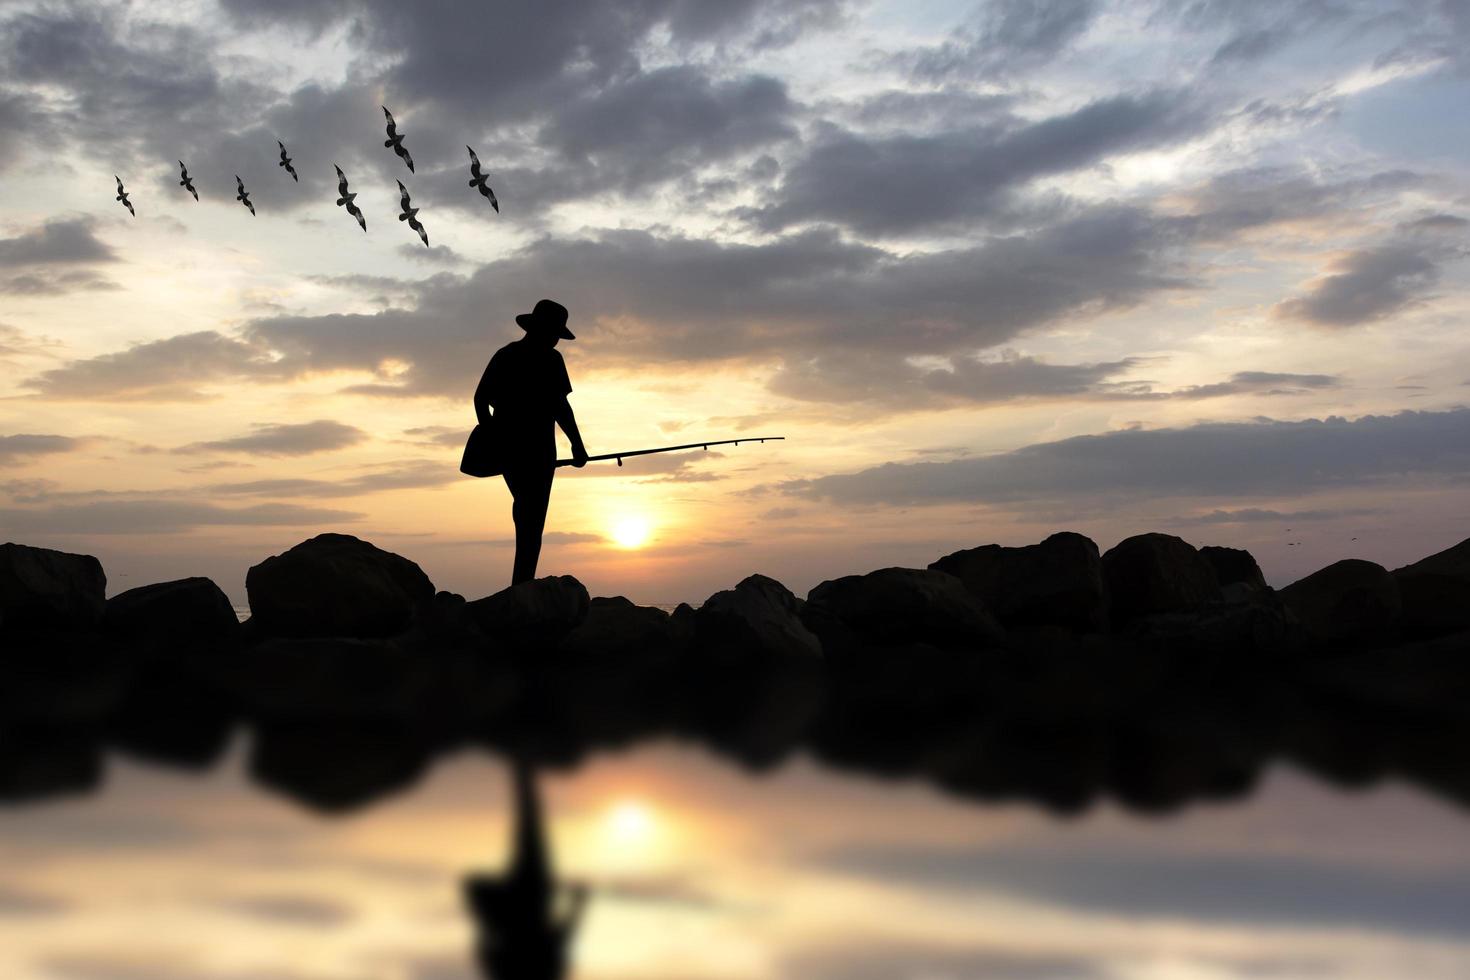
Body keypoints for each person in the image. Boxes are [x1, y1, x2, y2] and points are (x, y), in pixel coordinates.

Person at [475, 299, 588, 585]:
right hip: (532, 450)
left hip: (525, 450)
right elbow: (560, 406)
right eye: (554, 334)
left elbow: (480, 400)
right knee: (531, 516)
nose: (556, 340)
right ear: (542, 329)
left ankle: (522, 583)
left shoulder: (508, 355)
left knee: (527, 513)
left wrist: (492, 433)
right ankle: (522, 587)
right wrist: (576, 444)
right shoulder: (549, 361)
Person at [464, 755, 589, 980]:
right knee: (530, 830)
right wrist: (577, 905)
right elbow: (487, 947)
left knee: (530, 831)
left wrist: (577, 905)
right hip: (530, 901)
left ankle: (523, 765)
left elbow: (487, 946)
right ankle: (524, 764)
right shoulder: (538, 973)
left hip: (524, 904)